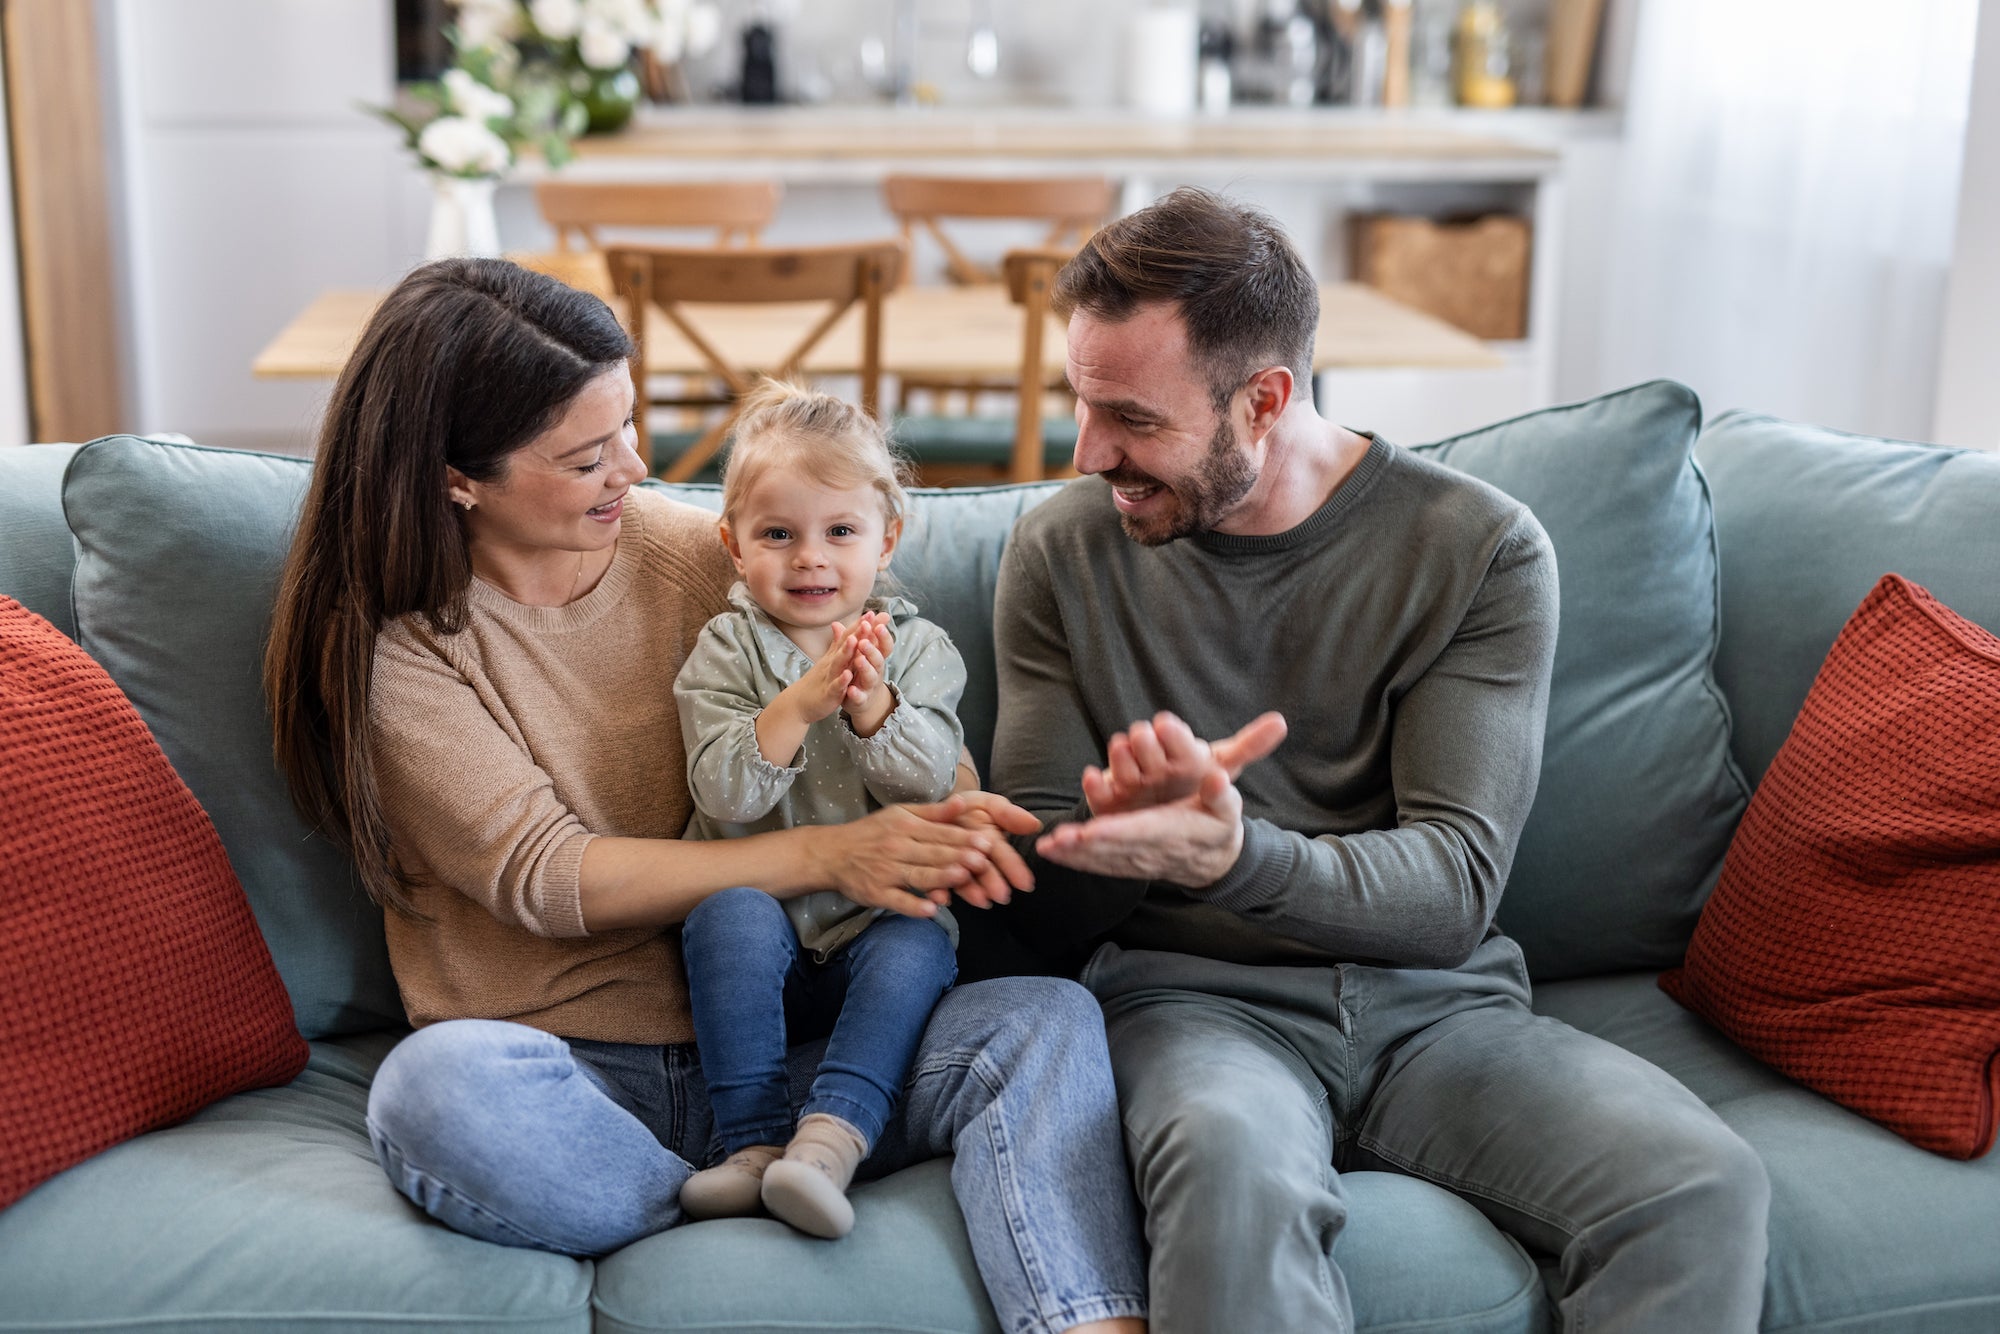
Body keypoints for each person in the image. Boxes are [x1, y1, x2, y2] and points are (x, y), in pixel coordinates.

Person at [263, 257, 1146, 1334]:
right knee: (432, 1091)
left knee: (1046, 1020)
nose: (634, 469)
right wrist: (827, 855)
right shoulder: (405, 651)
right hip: (584, 1074)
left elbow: (889, 689)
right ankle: (709, 1196)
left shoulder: (708, 560)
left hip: (810, 1038)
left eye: (627, 427)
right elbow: (547, 875)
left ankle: (1028, 1287)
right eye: (588, 456)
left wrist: (945, 807)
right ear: (460, 478)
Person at [979, 188, 1770, 1332]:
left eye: (1131, 419)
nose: (1089, 451)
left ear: (1263, 400)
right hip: (1197, 1008)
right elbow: (1043, 908)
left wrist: (1235, 852)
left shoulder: (1478, 548)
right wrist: (1112, 845)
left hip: (1437, 1012)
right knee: (1229, 1178)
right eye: (1080, 404)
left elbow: (1451, 890)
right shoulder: (1060, 552)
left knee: (1700, 1185)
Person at [671, 382, 966, 1238]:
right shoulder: (724, 648)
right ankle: (753, 1145)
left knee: (921, 932)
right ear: (733, 545)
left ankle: (829, 1143)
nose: (811, 558)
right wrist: (797, 706)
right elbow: (720, 792)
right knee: (725, 915)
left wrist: (874, 709)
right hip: (764, 934)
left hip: (871, 928)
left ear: (887, 540)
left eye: (840, 532)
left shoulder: (919, 650)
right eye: (778, 534)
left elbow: (933, 783)